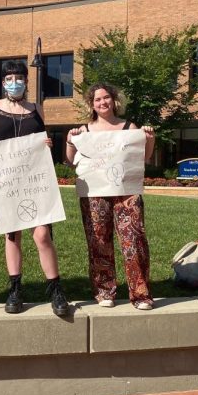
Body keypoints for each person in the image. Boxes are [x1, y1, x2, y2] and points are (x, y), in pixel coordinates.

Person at [0, 60, 69, 317]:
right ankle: (15, 288)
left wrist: (47, 144)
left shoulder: (36, 109)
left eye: (19, 77)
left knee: (42, 235)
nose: (14, 81)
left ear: (27, 81)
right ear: (3, 82)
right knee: (12, 234)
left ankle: (55, 288)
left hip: (34, 182)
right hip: (6, 181)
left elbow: (40, 141)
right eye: (9, 78)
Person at [66, 82, 156, 310]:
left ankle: (141, 294)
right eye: (97, 100)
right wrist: (69, 141)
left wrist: (150, 139)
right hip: (95, 193)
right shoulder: (84, 131)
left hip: (127, 194)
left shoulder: (129, 127)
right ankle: (104, 291)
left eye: (106, 98)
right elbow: (70, 160)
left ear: (114, 100)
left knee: (134, 241)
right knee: (99, 241)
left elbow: (144, 158)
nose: (102, 102)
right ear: (91, 104)